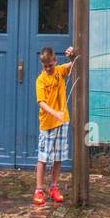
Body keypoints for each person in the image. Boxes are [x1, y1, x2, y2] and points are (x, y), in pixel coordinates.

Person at [34, 44, 77, 207]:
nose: (48, 69)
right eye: (45, 66)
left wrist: (72, 55)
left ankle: (53, 186)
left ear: (55, 61)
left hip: (62, 122)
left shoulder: (60, 71)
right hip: (47, 123)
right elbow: (41, 102)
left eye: (50, 65)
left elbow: (74, 65)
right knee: (43, 157)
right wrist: (55, 113)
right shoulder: (40, 80)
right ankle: (39, 189)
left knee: (59, 156)